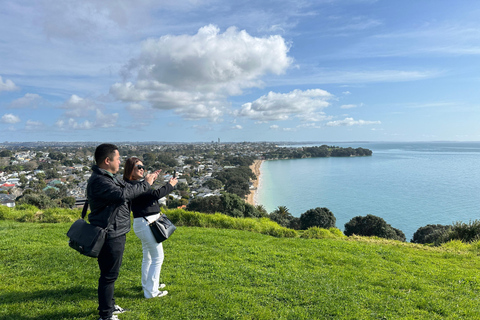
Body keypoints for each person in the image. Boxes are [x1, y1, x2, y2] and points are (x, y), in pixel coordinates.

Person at [86, 144, 160, 320]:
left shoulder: (108, 177)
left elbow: (126, 189)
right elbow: (123, 195)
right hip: (110, 233)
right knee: (109, 275)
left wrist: (144, 182)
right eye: (118, 158)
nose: (120, 161)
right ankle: (105, 315)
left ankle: (109, 307)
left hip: (115, 230)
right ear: (107, 160)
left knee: (110, 274)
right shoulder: (100, 180)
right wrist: (146, 184)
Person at [123, 157, 178, 299]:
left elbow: (146, 191)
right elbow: (155, 195)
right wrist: (170, 185)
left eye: (143, 166)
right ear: (130, 170)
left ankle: (148, 285)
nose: (142, 169)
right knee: (158, 257)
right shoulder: (133, 186)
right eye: (138, 167)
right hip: (147, 223)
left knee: (148, 257)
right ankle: (151, 292)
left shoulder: (132, 184)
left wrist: (151, 179)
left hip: (144, 223)